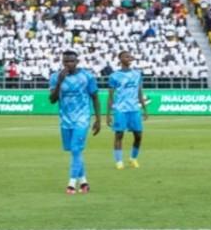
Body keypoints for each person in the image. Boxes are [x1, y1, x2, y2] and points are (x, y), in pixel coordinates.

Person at [48, 50, 100, 193]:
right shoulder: (55, 77)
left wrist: (98, 119)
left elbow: (95, 97)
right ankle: (84, 182)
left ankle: (71, 184)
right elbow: (52, 100)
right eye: (66, 61)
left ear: (77, 62)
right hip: (65, 120)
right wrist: (59, 82)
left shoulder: (87, 76)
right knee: (74, 151)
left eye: (71, 61)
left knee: (76, 149)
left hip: (82, 118)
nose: (68, 64)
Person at [107, 50, 147, 169]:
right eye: (126, 57)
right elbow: (110, 96)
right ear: (120, 59)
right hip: (120, 109)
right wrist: (108, 114)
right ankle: (119, 161)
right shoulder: (114, 76)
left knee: (138, 135)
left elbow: (139, 92)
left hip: (134, 109)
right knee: (119, 134)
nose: (129, 58)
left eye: (130, 56)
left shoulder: (137, 74)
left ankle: (133, 158)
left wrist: (144, 109)